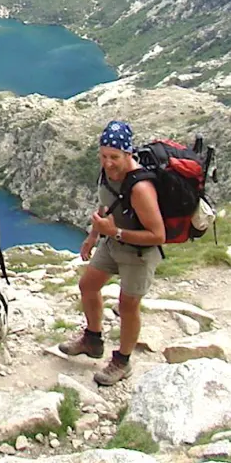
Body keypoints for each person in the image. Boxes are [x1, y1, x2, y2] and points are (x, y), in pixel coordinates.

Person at [59, 120, 165, 385]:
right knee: (88, 285)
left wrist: (114, 232)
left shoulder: (141, 188)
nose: (108, 163)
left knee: (127, 306)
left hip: (138, 253)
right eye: (103, 156)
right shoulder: (108, 174)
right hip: (112, 243)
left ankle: (122, 361)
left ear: (128, 153)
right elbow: (106, 203)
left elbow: (158, 235)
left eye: (114, 157)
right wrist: (93, 236)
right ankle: (92, 340)